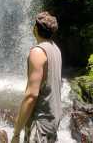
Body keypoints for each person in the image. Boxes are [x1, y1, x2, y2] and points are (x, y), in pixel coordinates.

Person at [11, 11, 62, 143]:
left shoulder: (38, 52)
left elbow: (31, 96)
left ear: (35, 28)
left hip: (40, 124)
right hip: (52, 120)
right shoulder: (55, 49)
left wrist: (16, 134)